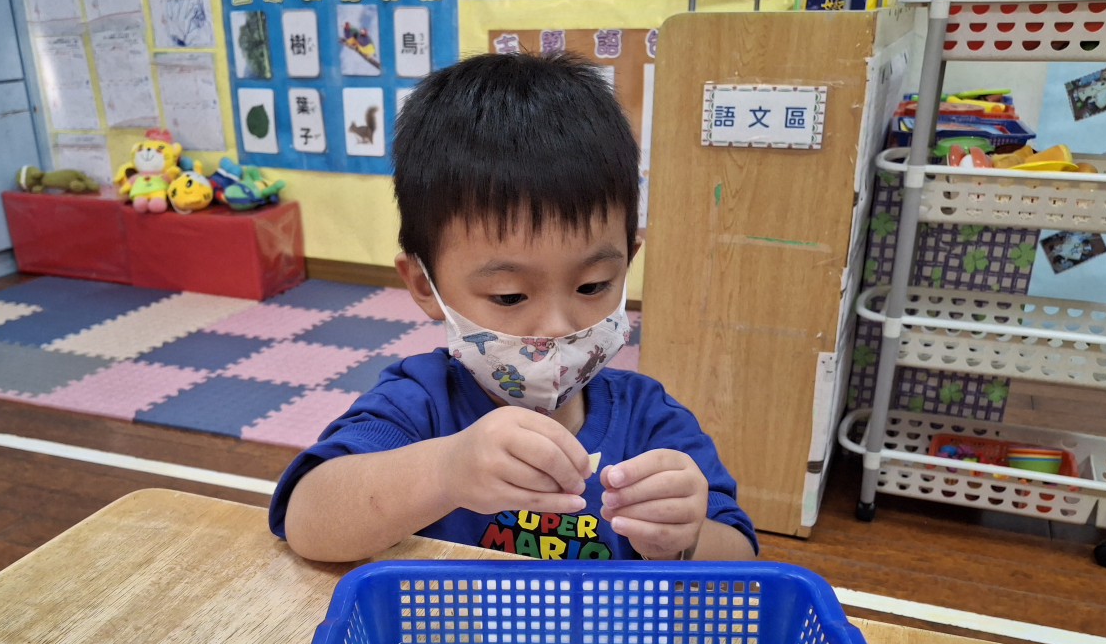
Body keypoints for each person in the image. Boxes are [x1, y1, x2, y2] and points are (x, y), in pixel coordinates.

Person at [270, 52, 757, 564]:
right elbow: (307, 521)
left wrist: (685, 540)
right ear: (423, 284)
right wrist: (445, 471)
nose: (557, 327)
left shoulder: (650, 421)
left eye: (592, 285)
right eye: (509, 296)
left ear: (627, 264)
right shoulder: (420, 404)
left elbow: (742, 565)